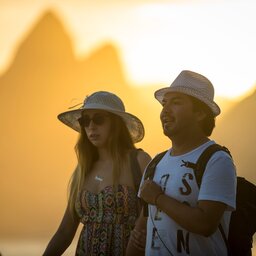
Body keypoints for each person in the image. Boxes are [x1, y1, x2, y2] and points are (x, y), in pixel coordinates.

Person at [126, 70, 237, 256]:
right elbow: (141, 232)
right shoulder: (156, 163)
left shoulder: (217, 160)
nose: (165, 111)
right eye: (164, 103)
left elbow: (205, 224)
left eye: (176, 102)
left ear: (200, 113)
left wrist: (158, 198)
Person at [43, 91, 151, 256]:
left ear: (116, 124)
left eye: (99, 119)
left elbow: (154, 217)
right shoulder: (83, 169)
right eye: (85, 121)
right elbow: (65, 232)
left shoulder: (139, 161)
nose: (91, 126)